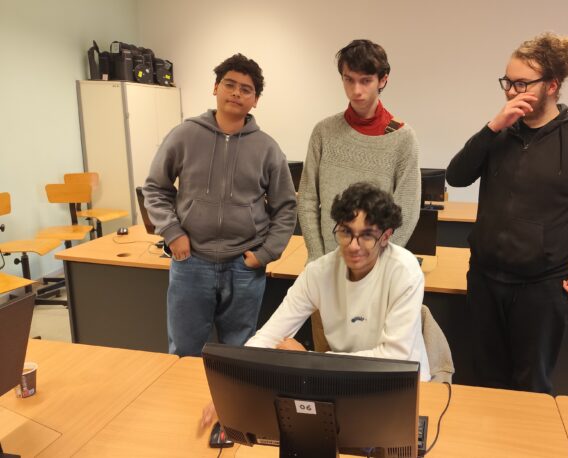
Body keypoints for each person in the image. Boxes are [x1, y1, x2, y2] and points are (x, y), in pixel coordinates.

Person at [446, 32, 568, 393]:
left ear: (552, 86)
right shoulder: (498, 134)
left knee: (530, 387)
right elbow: (456, 176)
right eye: (508, 82)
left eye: (522, 84)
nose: (512, 92)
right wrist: (492, 127)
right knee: (483, 382)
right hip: (484, 281)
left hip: (542, 290)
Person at [201, 182, 429, 427]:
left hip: (399, 388)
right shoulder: (319, 272)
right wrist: (232, 384)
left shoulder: (404, 272)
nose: (353, 246)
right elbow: (270, 335)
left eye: (366, 236)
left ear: (386, 236)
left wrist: (309, 360)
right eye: (346, 232)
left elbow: (394, 359)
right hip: (342, 385)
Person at [143, 54, 297, 357]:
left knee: (239, 354)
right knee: (184, 351)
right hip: (191, 262)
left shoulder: (267, 148)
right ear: (216, 88)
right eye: (230, 84)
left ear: (255, 100)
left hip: (244, 267)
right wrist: (172, 232)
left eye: (246, 89)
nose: (236, 93)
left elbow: (286, 207)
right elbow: (155, 188)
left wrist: (265, 254)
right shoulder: (184, 135)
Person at [297, 39, 421, 263]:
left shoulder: (403, 138)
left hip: (376, 264)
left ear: (383, 80)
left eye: (365, 81)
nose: (356, 90)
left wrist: (378, 261)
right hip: (326, 262)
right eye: (349, 80)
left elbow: (407, 211)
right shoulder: (323, 131)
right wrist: (316, 257)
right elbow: (307, 199)